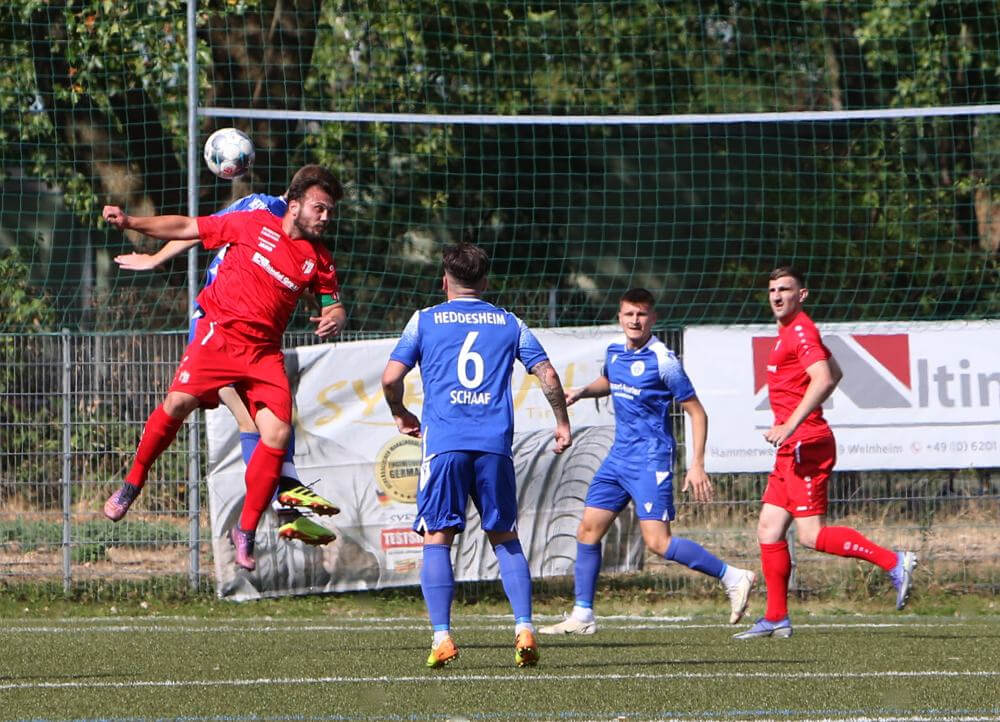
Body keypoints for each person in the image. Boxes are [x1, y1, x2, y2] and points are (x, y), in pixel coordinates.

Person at [101, 165, 345, 572]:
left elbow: (333, 303)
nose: (325, 217)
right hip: (219, 337)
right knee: (177, 403)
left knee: (277, 432)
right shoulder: (252, 222)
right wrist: (131, 222)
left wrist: (335, 316)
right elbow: (187, 226)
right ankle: (132, 484)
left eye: (330, 212)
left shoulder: (319, 259)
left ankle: (246, 530)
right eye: (318, 208)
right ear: (294, 204)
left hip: (263, 354)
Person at [381, 242, 572, 669]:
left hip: (445, 444)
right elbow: (548, 375)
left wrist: (400, 412)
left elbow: (391, 378)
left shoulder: (424, 320)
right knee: (504, 536)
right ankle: (524, 627)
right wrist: (562, 422)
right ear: (485, 282)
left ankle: (442, 637)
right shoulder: (509, 322)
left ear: (444, 281)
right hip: (493, 446)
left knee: (437, 537)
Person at [539, 288, 756, 636]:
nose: (635, 320)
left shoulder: (664, 360)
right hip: (618, 457)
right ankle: (582, 615)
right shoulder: (614, 351)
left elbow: (697, 412)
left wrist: (696, 464)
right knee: (588, 530)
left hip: (650, 460)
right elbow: (610, 380)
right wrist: (581, 391)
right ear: (620, 317)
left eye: (641, 314)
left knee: (658, 542)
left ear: (653, 318)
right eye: (629, 314)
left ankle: (732, 576)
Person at [734, 267, 917, 640]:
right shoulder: (791, 332)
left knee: (811, 535)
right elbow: (834, 371)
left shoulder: (801, 331)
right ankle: (776, 617)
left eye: (785, 289)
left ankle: (894, 561)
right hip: (791, 448)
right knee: (769, 528)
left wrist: (791, 424)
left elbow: (823, 378)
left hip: (806, 444)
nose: (777, 296)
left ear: (802, 294)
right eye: (772, 290)